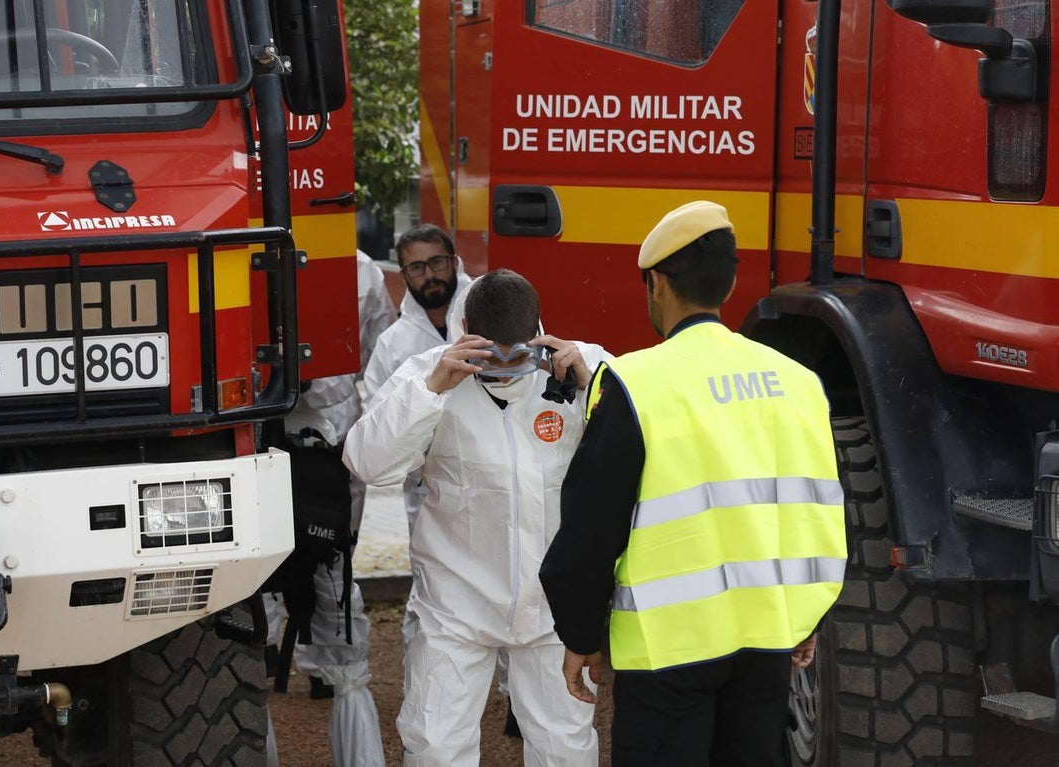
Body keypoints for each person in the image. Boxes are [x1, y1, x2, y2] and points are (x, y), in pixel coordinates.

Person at [539, 200, 848, 766]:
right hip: (767, 644)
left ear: (656, 283)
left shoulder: (633, 382)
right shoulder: (801, 384)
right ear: (728, 283)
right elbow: (819, 515)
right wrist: (808, 617)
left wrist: (580, 635)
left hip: (666, 655)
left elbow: (590, 525)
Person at [344, 269, 607, 766]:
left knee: (565, 750)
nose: (505, 372)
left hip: (553, 607)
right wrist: (431, 390)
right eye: (491, 359)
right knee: (436, 749)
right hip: (455, 604)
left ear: (539, 333)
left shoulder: (583, 368)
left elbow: (647, 452)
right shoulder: (426, 372)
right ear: (466, 329)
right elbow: (365, 463)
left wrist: (595, 388)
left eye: (518, 359)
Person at [266, 249, 394, 767]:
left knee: (326, 567)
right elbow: (372, 344)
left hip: (322, 447)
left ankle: (318, 670)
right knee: (309, 572)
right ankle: (310, 666)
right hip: (302, 442)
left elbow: (374, 344)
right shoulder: (356, 266)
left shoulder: (358, 268)